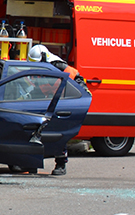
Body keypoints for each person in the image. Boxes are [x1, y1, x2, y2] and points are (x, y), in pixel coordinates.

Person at [27, 44, 89, 176]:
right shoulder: (37, 67)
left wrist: (82, 90)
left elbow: (76, 77)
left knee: (59, 135)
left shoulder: (58, 66)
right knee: (36, 135)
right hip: (43, 103)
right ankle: (33, 164)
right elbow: (34, 85)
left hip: (59, 104)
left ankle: (61, 164)